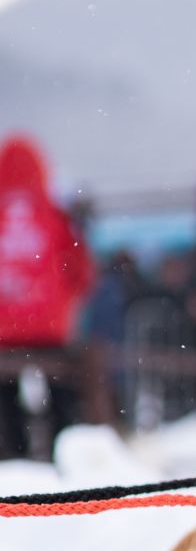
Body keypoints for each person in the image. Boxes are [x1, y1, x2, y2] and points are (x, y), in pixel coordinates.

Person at [0, 133, 92, 459]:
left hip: (4, 336)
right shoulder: (55, 215)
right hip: (50, 330)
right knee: (61, 398)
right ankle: (62, 458)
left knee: (6, 402)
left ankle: (13, 460)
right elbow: (81, 270)